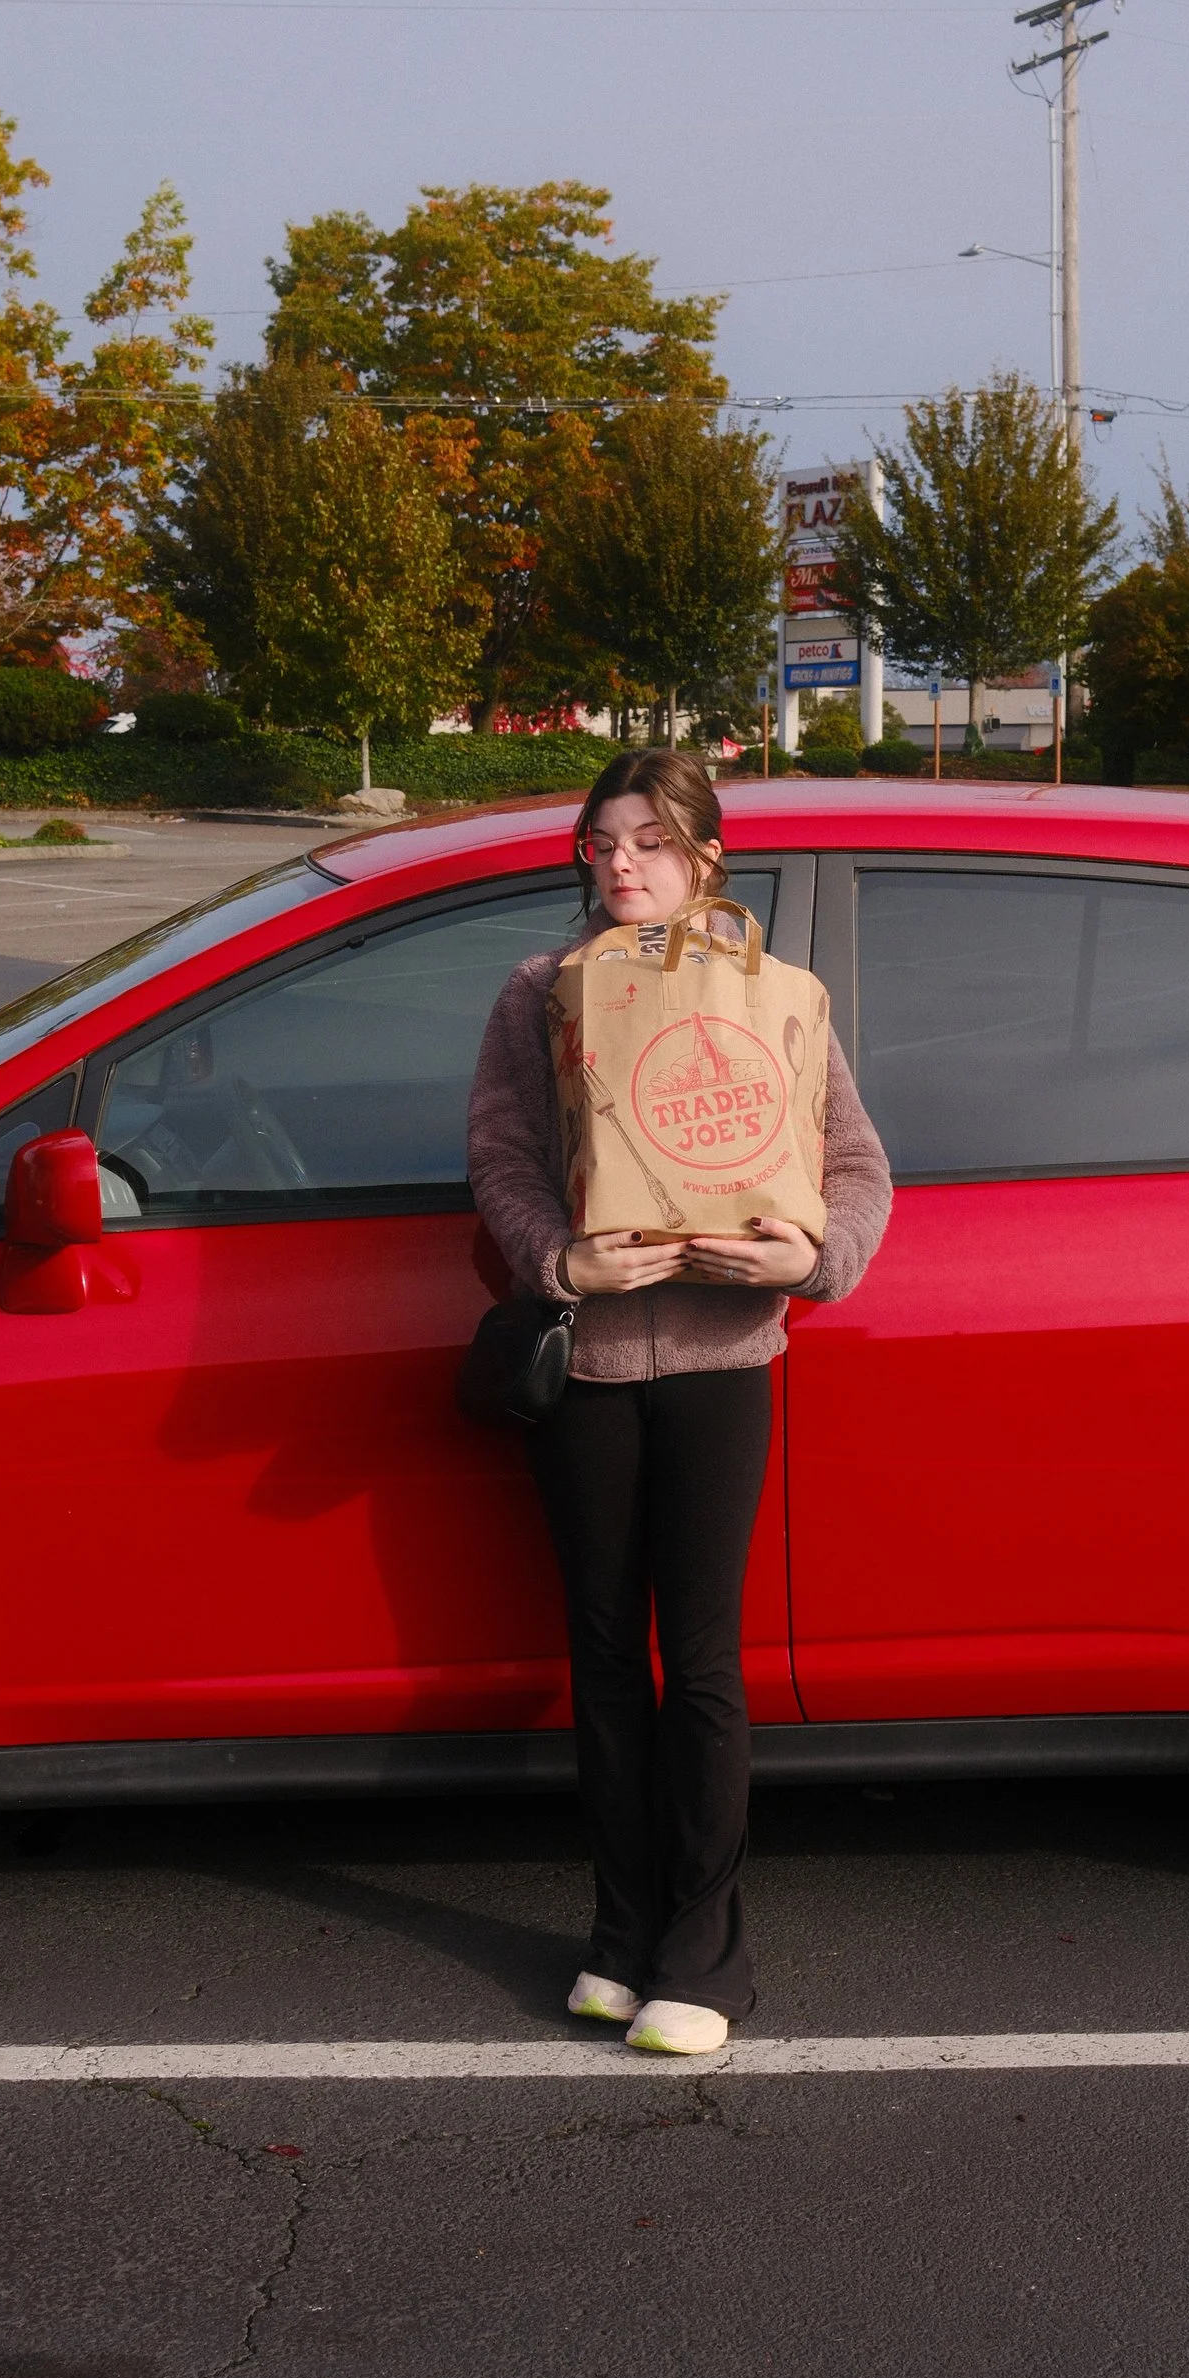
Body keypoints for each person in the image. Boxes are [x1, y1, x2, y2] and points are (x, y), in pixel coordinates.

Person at [467, 748, 893, 2060]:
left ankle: (708, 1954)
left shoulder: (767, 998)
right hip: (587, 1367)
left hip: (723, 1359)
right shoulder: (542, 994)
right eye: (600, 843)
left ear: (707, 858)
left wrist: (809, 1260)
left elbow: (860, 1166)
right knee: (601, 1656)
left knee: (701, 1661)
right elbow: (500, 1155)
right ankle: (620, 1932)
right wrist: (561, 1261)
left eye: (648, 841)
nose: (619, 864)